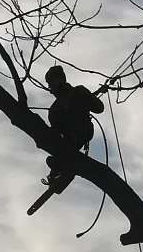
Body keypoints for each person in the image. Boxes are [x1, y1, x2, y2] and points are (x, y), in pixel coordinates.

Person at [26, 65, 106, 215]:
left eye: (52, 83)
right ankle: (59, 169)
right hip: (69, 140)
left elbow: (99, 107)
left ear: (60, 80)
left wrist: (85, 97)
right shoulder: (54, 109)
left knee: (66, 151)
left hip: (82, 132)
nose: (51, 88)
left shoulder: (78, 92)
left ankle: (60, 166)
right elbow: (56, 133)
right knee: (63, 153)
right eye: (49, 85)